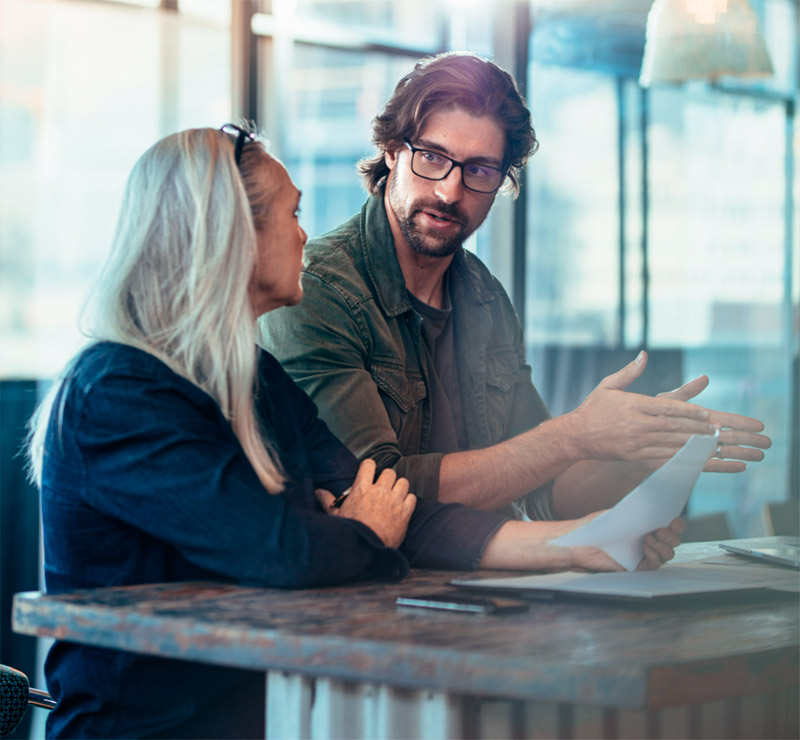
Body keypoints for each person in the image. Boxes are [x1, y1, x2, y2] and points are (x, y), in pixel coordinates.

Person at [27, 124, 682, 740]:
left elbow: (404, 509)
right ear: (232, 233)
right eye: (290, 214)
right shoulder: (117, 392)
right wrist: (364, 530)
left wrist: (584, 543)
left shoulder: (254, 377)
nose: (305, 235)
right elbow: (279, 551)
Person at [258, 51, 771, 520]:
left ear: (502, 182)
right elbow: (375, 492)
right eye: (432, 157)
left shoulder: (484, 298)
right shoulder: (316, 290)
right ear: (392, 151)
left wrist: (639, 448)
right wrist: (573, 435)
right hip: (365, 595)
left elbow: (542, 490)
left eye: (479, 170)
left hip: (486, 590)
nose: (450, 190)